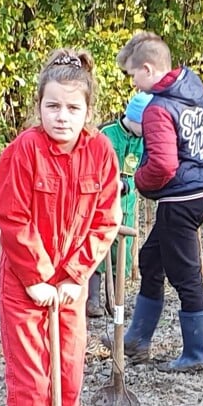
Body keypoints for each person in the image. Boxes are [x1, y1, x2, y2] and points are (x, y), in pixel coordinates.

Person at [0, 50, 121, 406]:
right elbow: (10, 217)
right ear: (38, 107)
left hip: (69, 291)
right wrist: (40, 276)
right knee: (33, 386)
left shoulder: (100, 153)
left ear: (88, 111)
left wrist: (72, 276)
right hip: (26, 291)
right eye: (52, 107)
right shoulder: (23, 151)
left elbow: (106, 220)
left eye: (72, 108)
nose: (61, 117)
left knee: (67, 383)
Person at [116, 31, 203, 371]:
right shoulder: (200, 102)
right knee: (152, 261)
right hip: (199, 196)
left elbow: (164, 165)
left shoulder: (158, 109)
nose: (134, 84)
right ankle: (137, 340)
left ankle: (196, 355)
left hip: (179, 199)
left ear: (148, 70)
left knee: (186, 276)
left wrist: (137, 181)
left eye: (133, 75)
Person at [88, 91, 149, 318]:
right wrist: (113, 183)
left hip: (127, 201)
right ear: (133, 118)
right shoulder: (107, 135)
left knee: (121, 254)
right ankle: (92, 299)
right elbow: (96, 167)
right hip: (102, 201)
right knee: (97, 248)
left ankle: (116, 301)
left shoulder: (144, 140)